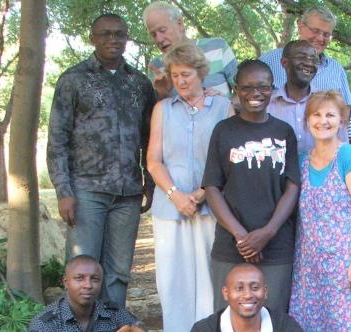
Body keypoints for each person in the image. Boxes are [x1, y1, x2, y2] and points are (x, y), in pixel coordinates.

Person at [46, 13, 155, 307]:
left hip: (128, 192)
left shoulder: (140, 83)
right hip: (85, 191)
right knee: (83, 268)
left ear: (127, 38)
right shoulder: (73, 79)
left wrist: (150, 181)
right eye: (105, 34)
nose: (113, 40)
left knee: (119, 271)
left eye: (119, 34)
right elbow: (57, 139)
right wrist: (63, 191)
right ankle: (77, 326)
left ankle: (112, 324)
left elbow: (149, 138)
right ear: (92, 39)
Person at [146, 43, 234, 331]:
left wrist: (200, 193)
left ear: (201, 73)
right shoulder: (162, 109)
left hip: (211, 206)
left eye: (186, 74)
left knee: (210, 279)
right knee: (174, 280)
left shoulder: (222, 106)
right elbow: (153, 161)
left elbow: (230, 158)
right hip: (169, 208)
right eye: (175, 75)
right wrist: (176, 195)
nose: (181, 81)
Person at [202, 60, 301, 313]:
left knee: (273, 316)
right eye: (246, 87)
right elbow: (212, 187)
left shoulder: (284, 131)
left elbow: (292, 187)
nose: (255, 94)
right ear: (236, 89)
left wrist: (267, 232)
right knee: (228, 317)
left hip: (276, 245)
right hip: (231, 244)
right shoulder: (223, 131)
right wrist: (241, 237)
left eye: (262, 87)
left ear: (272, 89)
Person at [290, 91, 351, 331]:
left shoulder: (347, 155)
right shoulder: (301, 160)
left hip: (346, 263)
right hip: (310, 267)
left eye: (330, 115)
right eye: (316, 115)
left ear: (340, 121)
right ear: (307, 121)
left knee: (347, 324)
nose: (323, 121)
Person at [260, 6, 351, 105]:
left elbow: (347, 111)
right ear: (300, 26)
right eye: (315, 31)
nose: (320, 38)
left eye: (326, 34)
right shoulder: (268, 62)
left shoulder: (336, 70)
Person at [143, 1, 238, 98]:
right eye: (153, 34)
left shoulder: (218, 47)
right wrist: (163, 93)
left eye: (162, 30)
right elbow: (158, 110)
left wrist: (224, 106)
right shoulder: (156, 67)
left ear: (180, 24)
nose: (159, 39)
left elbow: (245, 93)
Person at [29, 255, 144, 332]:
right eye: (79, 278)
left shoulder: (114, 314)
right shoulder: (46, 324)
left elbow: (138, 327)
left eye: (95, 279)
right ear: (66, 282)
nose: (88, 285)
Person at [191, 263, 303, 332]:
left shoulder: (286, 327)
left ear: (265, 292)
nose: (248, 295)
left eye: (255, 288)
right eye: (239, 288)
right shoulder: (204, 329)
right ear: (226, 293)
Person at [267, 40, 318, 155]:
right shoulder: (267, 106)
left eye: (313, 59)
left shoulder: (327, 104)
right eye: (302, 57)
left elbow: (341, 150)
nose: (309, 63)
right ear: (284, 62)